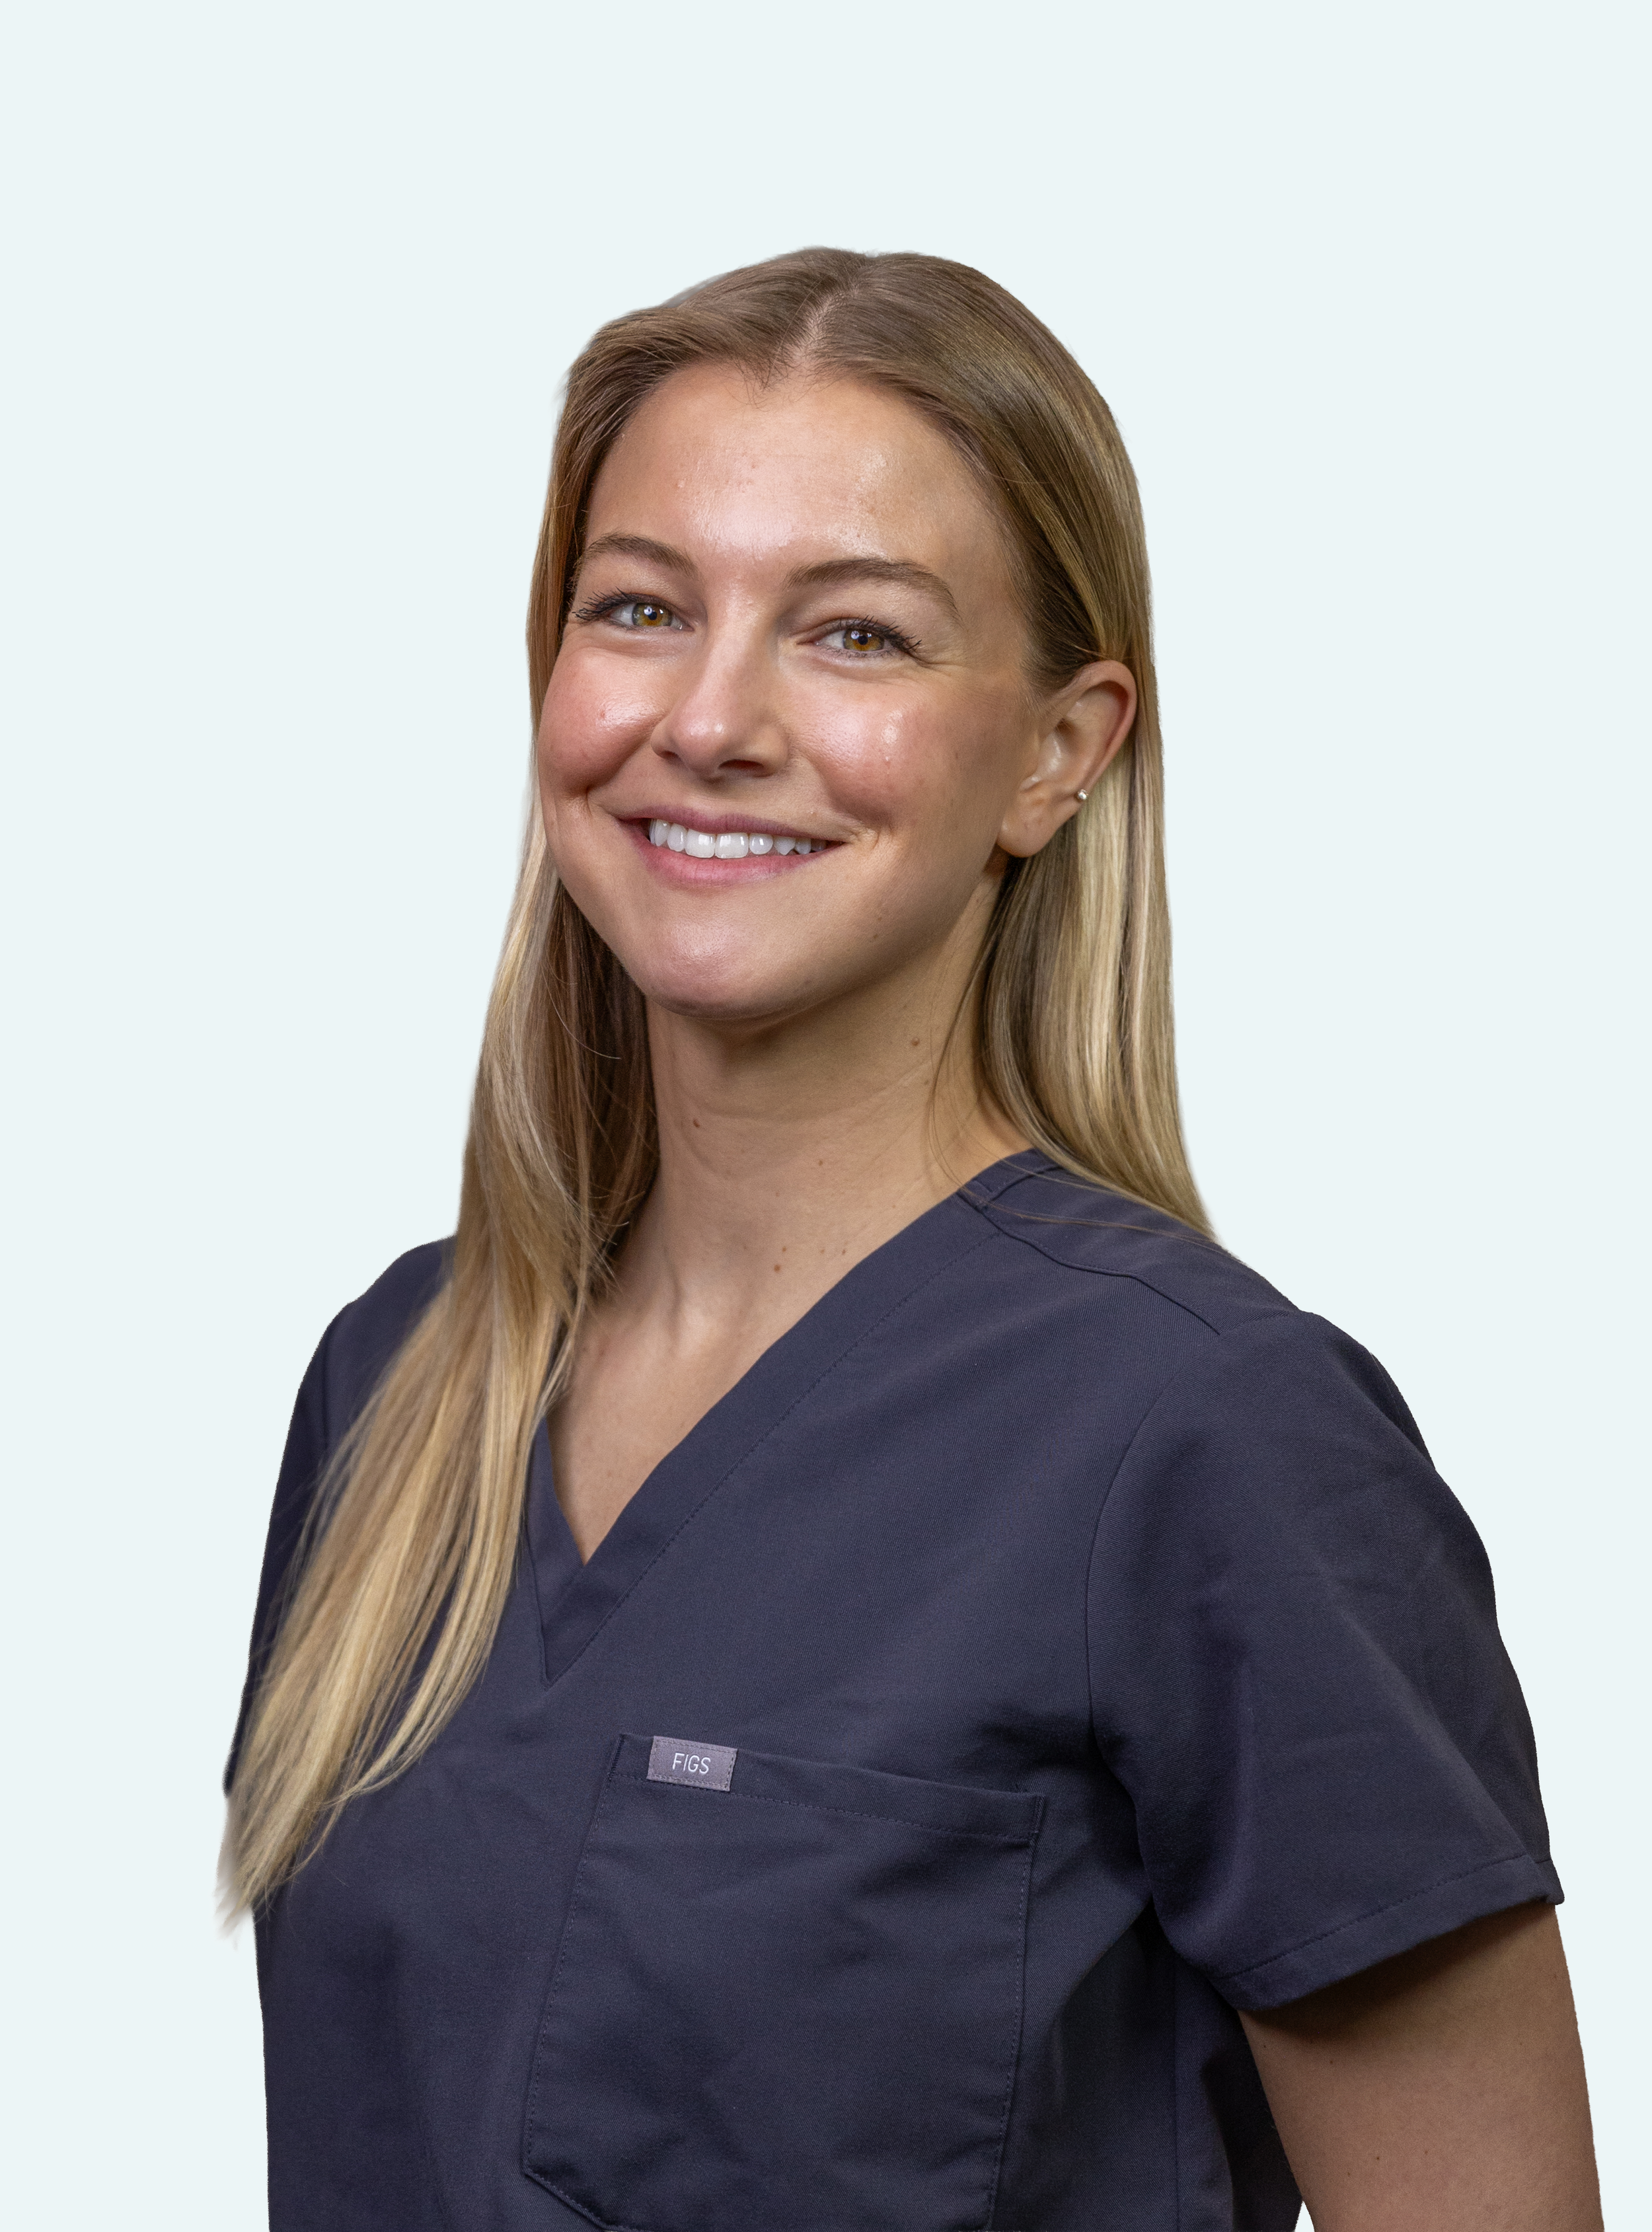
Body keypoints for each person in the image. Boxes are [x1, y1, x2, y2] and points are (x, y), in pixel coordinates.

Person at [225, 248, 1601, 2232]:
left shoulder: (1210, 1441)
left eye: (854, 634)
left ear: (1059, 751)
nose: (709, 718)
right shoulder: (400, 1384)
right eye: (640, 608)